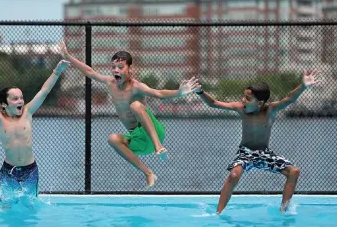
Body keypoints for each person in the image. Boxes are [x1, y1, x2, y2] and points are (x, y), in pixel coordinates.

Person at [59, 40, 198, 188]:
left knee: (136, 105)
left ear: (130, 69)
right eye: (113, 67)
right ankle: (148, 173)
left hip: (154, 132)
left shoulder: (136, 87)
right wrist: (68, 56)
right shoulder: (109, 83)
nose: (116, 70)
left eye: (120, 67)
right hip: (139, 140)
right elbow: (89, 72)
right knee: (112, 138)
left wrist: (179, 93)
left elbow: (158, 93)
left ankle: (159, 146)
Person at [194, 69, 320, 213]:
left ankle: (284, 211)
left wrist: (303, 85)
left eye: (248, 99)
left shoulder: (270, 110)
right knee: (234, 174)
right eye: (244, 96)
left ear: (260, 103)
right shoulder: (241, 109)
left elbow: (290, 98)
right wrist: (200, 92)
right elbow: (213, 103)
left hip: (265, 154)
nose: (243, 100)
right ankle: (218, 213)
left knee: (294, 172)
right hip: (245, 152)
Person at [0, 60, 70, 202]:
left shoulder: (28, 112)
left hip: (30, 169)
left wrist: (57, 71)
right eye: (15, 99)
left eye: (21, 97)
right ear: (4, 104)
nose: (20, 101)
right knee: (7, 206)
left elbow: (44, 91)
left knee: (30, 205)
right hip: (9, 170)